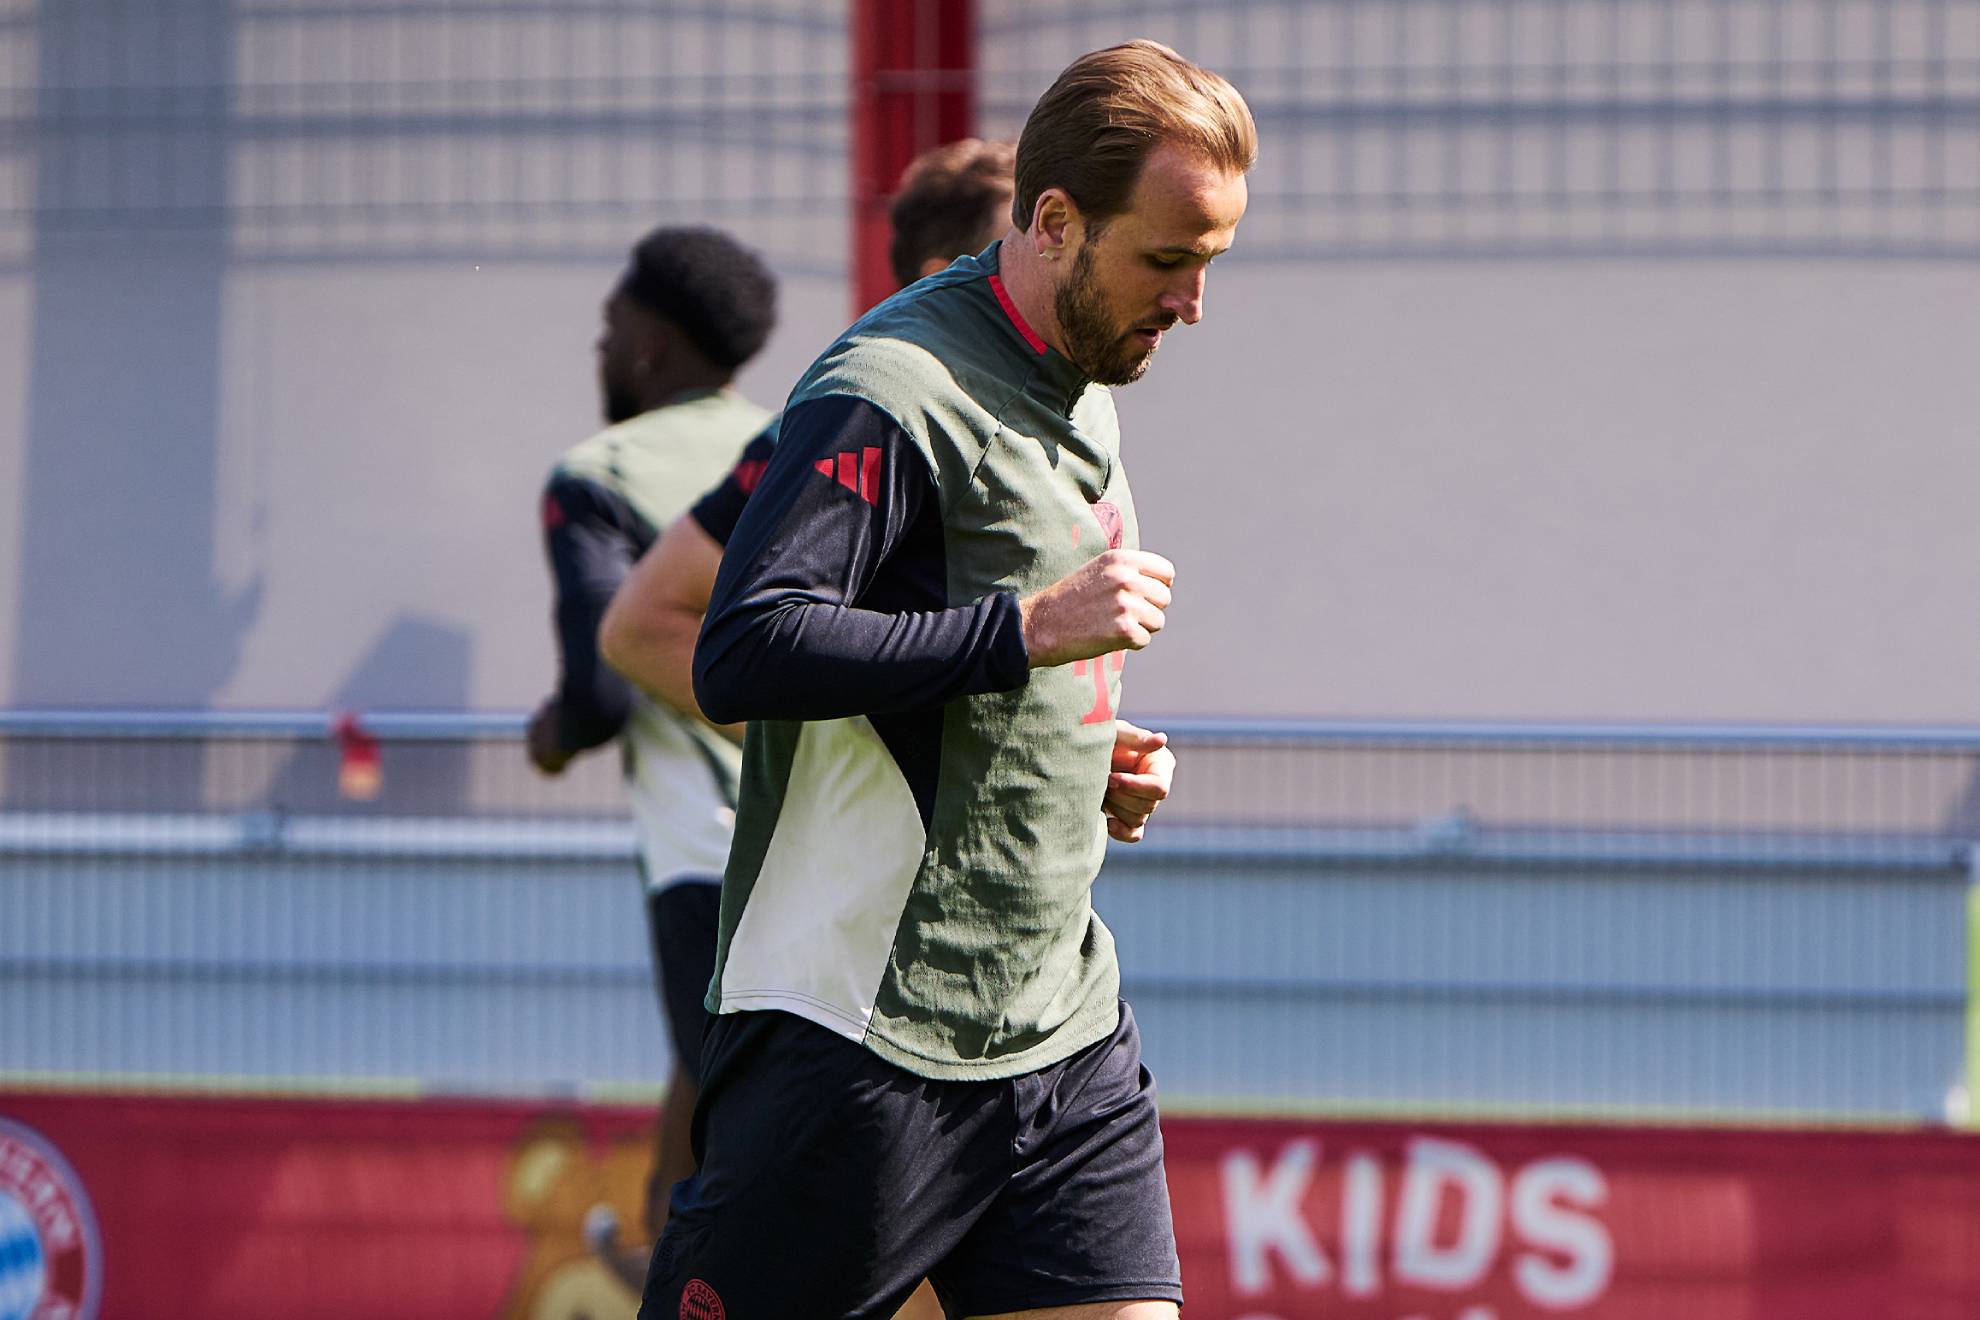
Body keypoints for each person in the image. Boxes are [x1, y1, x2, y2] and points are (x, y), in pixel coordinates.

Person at [637, 40, 1255, 1320]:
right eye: (1167, 261)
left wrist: (1087, 766)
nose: (1195, 305)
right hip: (866, 1039)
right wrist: (1025, 634)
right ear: (1054, 219)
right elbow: (743, 645)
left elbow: (978, 660)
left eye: (1211, 264)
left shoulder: (1082, 382)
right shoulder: (889, 391)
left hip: (1060, 1029)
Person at [595, 138, 1018, 1320]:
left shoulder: (1036, 429)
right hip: (814, 943)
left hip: (976, 956)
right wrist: (826, 735)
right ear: (947, 265)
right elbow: (642, 626)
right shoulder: (845, 422)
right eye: (1023, 233)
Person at [522, 225, 776, 1272]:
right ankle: (660, 1243)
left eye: (609, 327)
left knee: (746, 1126)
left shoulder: (597, 475)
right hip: (836, 832)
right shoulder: (798, 438)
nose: (599, 349)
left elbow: (603, 688)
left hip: (708, 855)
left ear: (651, 346)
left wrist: (551, 734)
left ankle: (682, 1262)